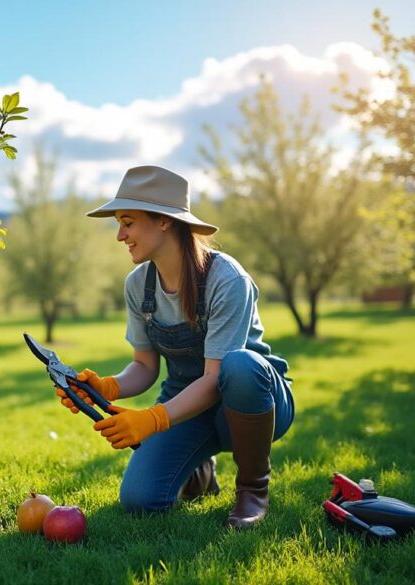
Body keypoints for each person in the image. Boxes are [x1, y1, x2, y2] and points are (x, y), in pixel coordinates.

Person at [55, 165, 294, 529]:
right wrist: (107, 387)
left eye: (128, 222)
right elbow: (145, 366)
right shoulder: (139, 285)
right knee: (140, 500)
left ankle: (252, 490)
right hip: (188, 404)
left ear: (164, 221)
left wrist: (153, 419)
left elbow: (216, 378)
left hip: (252, 404)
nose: (120, 235)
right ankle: (200, 470)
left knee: (241, 366)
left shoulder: (226, 279)